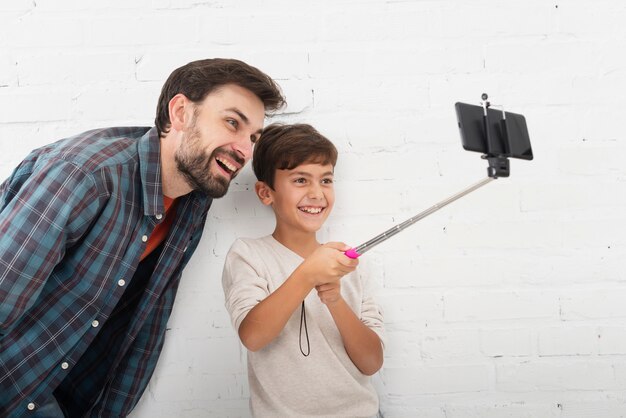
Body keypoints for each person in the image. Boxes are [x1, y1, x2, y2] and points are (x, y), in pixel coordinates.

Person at [0, 58, 285, 417]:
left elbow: (141, 333)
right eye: (232, 123)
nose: (245, 149)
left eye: (253, 137)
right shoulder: (86, 176)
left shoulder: (192, 205)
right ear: (180, 112)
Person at [222, 123, 385, 417]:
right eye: (300, 180)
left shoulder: (351, 267)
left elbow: (372, 362)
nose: (317, 193)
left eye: (326, 180)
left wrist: (335, 299)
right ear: (265, 193)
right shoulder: (248, 255)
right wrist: (308, 274)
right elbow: (253, 337)